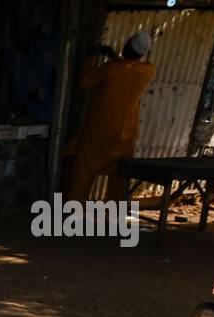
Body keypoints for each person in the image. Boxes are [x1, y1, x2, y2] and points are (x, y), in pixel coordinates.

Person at [64, 31, 157, 202]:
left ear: (126, 46)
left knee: (84, 172)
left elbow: (84, 82)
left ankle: (73, 215)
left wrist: (91, 58)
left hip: (99, 132)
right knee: (120, 177)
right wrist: (115, 57)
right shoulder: (147, 71)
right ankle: (114, 219)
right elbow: (129, 67)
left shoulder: (110, 68)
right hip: (124, 137)